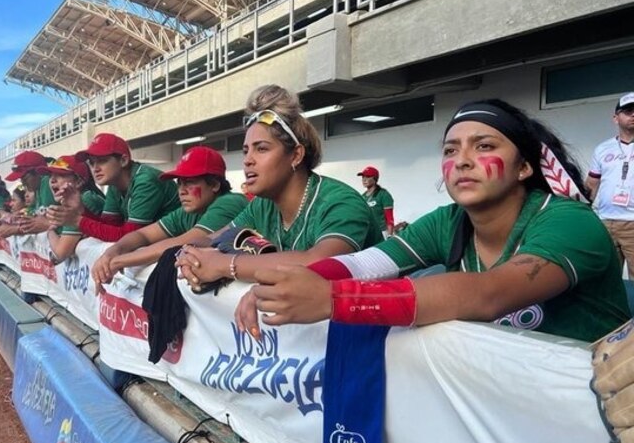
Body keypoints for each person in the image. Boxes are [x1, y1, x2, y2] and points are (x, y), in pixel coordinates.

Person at [238, 99, 629, 343]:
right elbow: (363, 263)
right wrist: (278, 286)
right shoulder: (448, 220)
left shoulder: (568, 222)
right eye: (450, 149)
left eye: (485, 146)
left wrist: (333, 299)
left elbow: (487, 294)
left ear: (524, 167)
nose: (461, 160)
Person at [175, 85, 383, 288]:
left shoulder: (340, 202)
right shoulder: (262, 205)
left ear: (296, 155)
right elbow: (212, 239)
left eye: (261, 149)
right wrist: (187, 253)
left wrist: (224, 265)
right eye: (246, 151)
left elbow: (321, 262)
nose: (248, 160)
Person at [91, 146, 248, 287]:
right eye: (179, 183)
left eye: (189, 182)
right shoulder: (189, 210)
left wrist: (119, 261)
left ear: (214, 184)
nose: (181, 190)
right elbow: (143, 234)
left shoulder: (229, 202)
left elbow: (183, 242)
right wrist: (113, 251)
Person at [46, 133, 180, 242]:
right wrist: (81, 209)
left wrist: (77, 220)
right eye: (92, 163)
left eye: (102, 161)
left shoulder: (145, 181)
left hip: (180, 244)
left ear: (123, 160)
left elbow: (130, 237)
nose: (95, 168)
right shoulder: (114, 184)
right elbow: (109, 227)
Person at [585, 92, 634, 275]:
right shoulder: (603, 149)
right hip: (605, 222)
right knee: (606, 277)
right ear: (616, 118)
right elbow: (592, 183)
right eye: (628, 111)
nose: (633, 115)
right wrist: (583, 212)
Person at [38, 155, 91, 263]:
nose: (52, 180)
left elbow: (60, 253)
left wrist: (48, 228)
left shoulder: (86, 198)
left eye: (61, 175)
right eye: (51, 175)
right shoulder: (71, 200)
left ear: (79, 182)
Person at [0, 151, 57, 237]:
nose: (23, 183)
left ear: (39, 172)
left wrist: (15, 229)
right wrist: (13, 219)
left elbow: (52, 222)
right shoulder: (38, 188)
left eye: (25, 178)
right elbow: (35, 214)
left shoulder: (47, 183)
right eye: (21, 179)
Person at [358, 166, 395, 235]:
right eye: (363, 177)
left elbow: (389, 218)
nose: (364, 180)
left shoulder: (383, 194)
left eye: (368, 177)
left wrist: (389, 235)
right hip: (368, 233)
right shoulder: (362, 196)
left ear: (375, 179)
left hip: (382, 232)